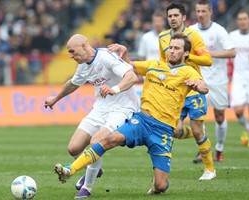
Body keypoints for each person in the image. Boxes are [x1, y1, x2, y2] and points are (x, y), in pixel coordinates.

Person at [53, 32, 209, 195]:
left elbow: (204, 86)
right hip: (142, 121)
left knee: (161, 185)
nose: (171, 50)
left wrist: (199, 86)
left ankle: (158, 184)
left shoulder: (188, 71)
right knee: (107, 140)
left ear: (185, 53)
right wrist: (125, 53)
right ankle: (70, 170)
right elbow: (130, 67)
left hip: (163, 130)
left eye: (177, 48)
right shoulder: (154, 64)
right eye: (170, 47)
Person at [44, 34, 139, 198]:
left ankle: (86, 188)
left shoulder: (106, 57)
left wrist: (113, 89)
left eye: (73, 52)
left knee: (96, 142)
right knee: (73, 148)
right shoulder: (83, 66)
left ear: (84, 45)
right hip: (101, 108)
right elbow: (73, 84)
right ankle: (94, 166)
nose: (71, 56)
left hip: (122, 108)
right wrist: (56, 98)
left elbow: (132, 77)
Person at [159, 2, 215, 180]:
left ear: (183, 17)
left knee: (198, 130)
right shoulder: (162, 37)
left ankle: (210, 169)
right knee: (175, 131)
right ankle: (196, 133)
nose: (172, 19)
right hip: (175, 90)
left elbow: (207, 60)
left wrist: (187, 55)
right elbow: (163, 63)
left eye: (176, 15)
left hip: (194, 89)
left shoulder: (193, 35)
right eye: (170, 16)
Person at [189, 0, 236, 162]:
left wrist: (209, 55)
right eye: (198, 11)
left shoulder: (219, 30)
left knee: (220, 117)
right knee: (198, 117)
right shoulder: (191, 31)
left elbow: (232, 52)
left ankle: (219, 149)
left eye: (203, 11)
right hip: (198, 79)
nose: (200, 14)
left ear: (210, 12)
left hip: (218, 80)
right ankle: (203, 150)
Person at [229, 11, 249, 148]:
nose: (242, 21)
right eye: (240, 19)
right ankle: (247, 128)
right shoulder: (232, 36)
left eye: (245, 19)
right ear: (237, 22)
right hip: (239, 76)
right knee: (237, 110)